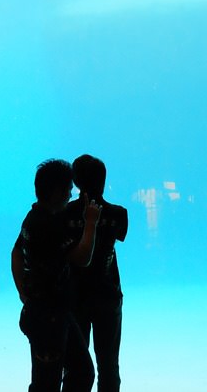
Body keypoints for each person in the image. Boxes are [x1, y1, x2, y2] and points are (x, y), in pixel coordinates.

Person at [11, 159, 101, 392]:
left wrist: (23, 292)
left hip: (49, 311)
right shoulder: (47, 225)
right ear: (56, 191)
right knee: (48, 381)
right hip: (47, 317)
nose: (71, 194)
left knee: (79, 371)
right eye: (68, 189)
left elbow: (16, 253)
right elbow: (83, 258)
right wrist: (91, 222)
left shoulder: (33, 217)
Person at [66, 154, 128, 392]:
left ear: (76, 182)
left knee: (73, 367)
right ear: (104, 180)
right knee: (109, 365)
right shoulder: (118, 214)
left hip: (74, 297)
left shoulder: (66, 215)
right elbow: (117, 237)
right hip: (108, 296)